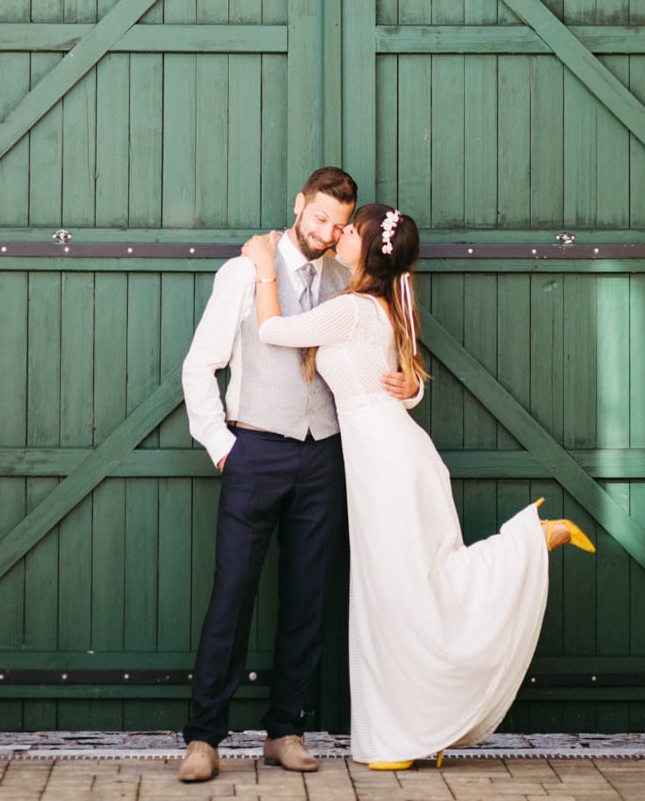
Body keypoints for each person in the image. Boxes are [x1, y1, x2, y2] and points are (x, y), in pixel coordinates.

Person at [242, 203, 595, 770]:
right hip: (396, 455)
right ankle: (407, 730)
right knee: (411, 590)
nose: (341, 234)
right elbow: (395, 385)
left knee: (402, 593)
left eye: (350, 230)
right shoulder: (379, 307)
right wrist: (409, 389)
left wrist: (262, 267)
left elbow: (272, 330)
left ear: (365, 245)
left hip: (387, 463)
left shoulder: (355, 308)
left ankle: (529, 542)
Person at [178, 168, 420, 783]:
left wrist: (411, 388)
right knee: (232, 597)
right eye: (318, 219)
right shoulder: (243, 273)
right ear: (299, 206)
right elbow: (199, 367)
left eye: (340, 225)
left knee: (306, 598)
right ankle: (204, 737)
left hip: (326, 456)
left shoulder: (350, 281)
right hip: (254, 449)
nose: (326, 232)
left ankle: (285, 729)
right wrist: (221, 446)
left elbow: (386, 359)